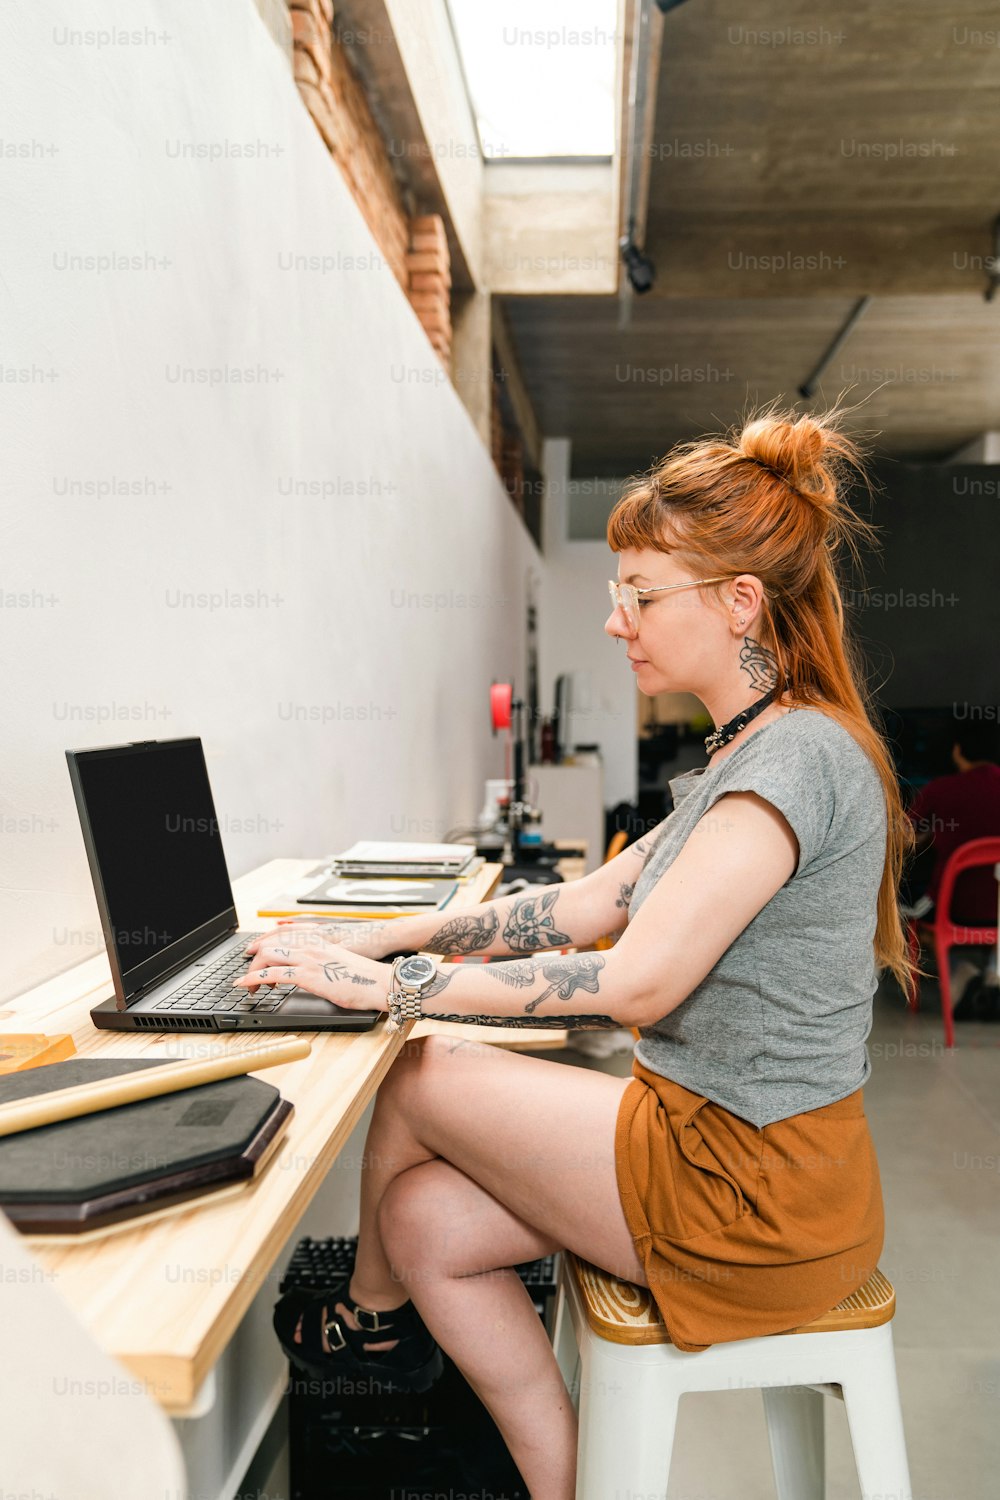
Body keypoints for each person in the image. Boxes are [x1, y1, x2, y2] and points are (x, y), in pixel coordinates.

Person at [237, 407, 913, 1500]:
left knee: (419, 1068)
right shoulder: (754, 752)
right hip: (727, 1154)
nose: (615, 621)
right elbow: (589, 906)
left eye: (639, 595)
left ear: (740, 601)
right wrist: (373, 939)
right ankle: (563, 1481)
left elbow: (637, 978)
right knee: (422, 1221)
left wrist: (393, 991)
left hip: (749, 1189)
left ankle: (360, 1333)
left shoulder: (792, 762)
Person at [904, 721, 1000, 1007]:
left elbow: (902, 838)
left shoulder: (941, 790)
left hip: (953, 908)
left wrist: (931, 835)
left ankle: (961, 973)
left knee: (913, 920)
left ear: (957, 751)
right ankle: (991, 974)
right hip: (998, 909)